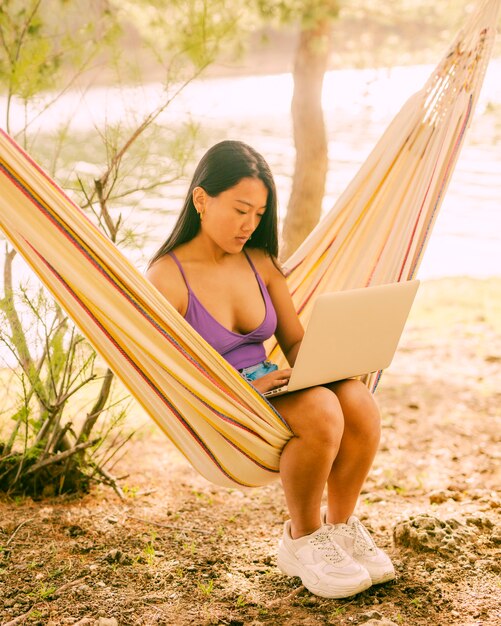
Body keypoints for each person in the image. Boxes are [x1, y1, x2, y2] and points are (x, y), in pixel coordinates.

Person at [146, 140, 395, 599]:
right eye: (241, 210)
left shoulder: (259, 262)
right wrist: (251, 385)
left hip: (275, 389)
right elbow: (173, 374)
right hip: (226, 405)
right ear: (202, 199)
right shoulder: (167, 276)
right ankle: (303, 538)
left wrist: (335, 364)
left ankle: (339, 530)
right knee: (321, 408)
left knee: (358, 400)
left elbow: (295, 341)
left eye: (259, 214)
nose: (250, 224)